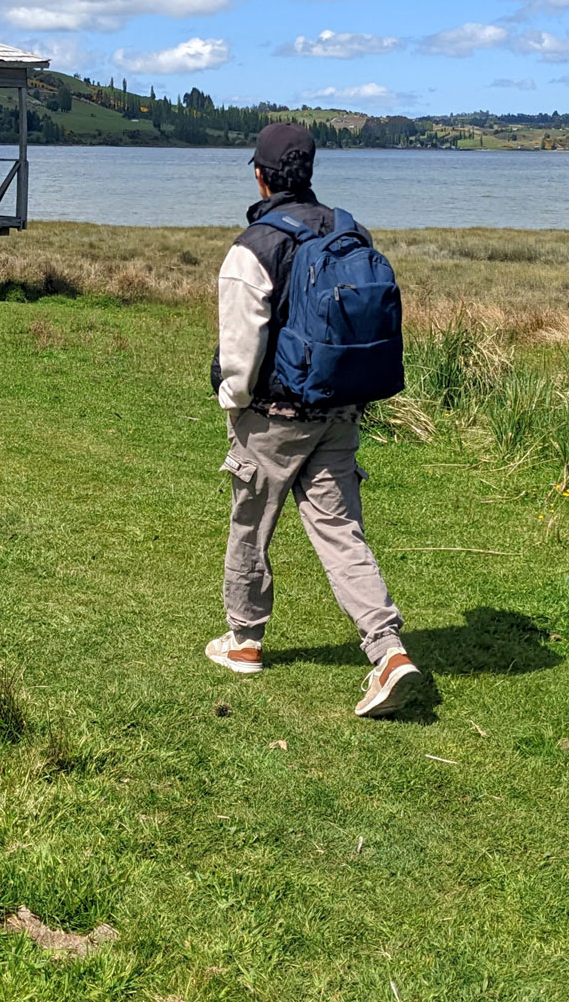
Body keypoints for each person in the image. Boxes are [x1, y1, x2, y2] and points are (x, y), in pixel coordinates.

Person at [206, 123, 420, 720]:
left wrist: (232, 402)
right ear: (308, 171)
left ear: (260, 174)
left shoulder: (253, 246)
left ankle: (244, 641)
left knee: (250, 523)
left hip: (273, 415)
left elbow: (241, 352)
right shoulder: (350, 230)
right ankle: (387, 651)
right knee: (340, 530)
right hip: (340, 407)